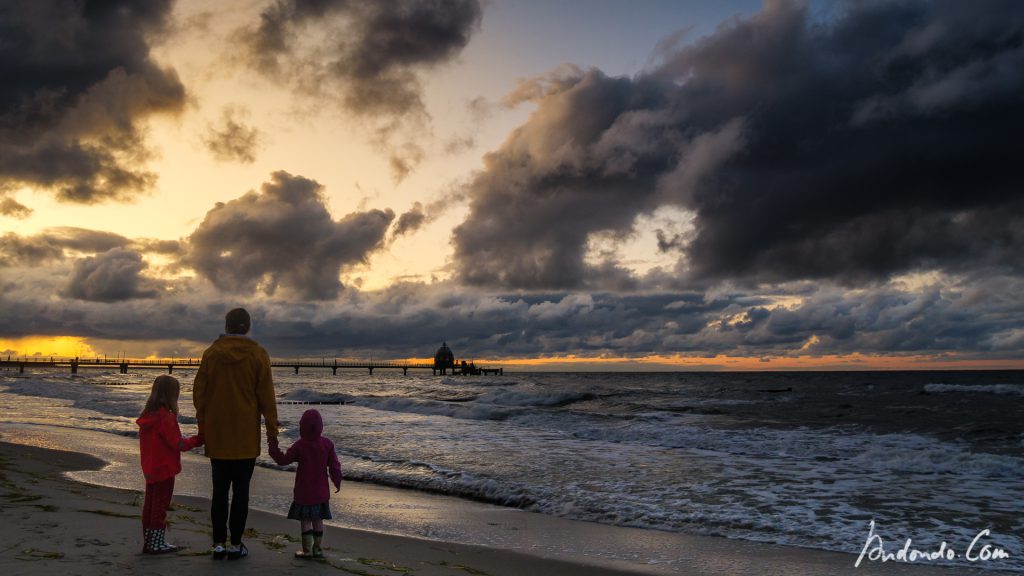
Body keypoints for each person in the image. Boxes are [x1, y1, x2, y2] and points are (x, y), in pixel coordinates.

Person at [193, 308, 279, 560]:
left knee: (219, 492)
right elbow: (267, 399)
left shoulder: (212, 354)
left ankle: (218, 543)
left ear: (227, 326)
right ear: (248, 328)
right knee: (241, 493)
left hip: (218, 435)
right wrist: (272, 433)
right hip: (245, 439)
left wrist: (203, 426)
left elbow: (200, 395)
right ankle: (236, 543)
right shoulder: (258, 355)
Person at [136, 375, 203, 554]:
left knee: (150, 506)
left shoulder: (147, 416)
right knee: (160, 507)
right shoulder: (166, 417)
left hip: (150, 468)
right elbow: (178, 444)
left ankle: (149, 542)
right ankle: (156, 544)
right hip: (164, 469)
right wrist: (199, 439)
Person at [268, 409, 342, 559]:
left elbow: (283, 460)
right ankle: (318, 550)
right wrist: (337, 481)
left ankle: (307, 551)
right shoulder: (327, 444)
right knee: (318, 520)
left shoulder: (300, 446)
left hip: (304, 491)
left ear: (302, 426)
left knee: (306, 521)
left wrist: (273, 445)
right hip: (321, 492)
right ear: (321, 426)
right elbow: (335, 466)